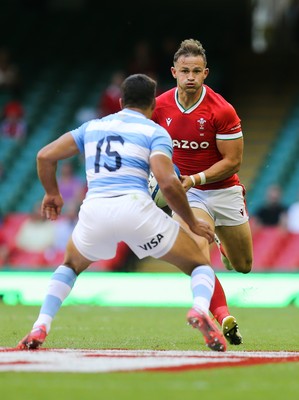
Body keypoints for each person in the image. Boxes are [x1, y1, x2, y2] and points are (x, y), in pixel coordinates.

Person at [16, 73, 227, 352]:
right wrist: (192, 222)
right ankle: (200, 309)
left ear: (120, 101)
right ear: (153, 104)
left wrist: (52, 193)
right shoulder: (154, 132)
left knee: (69, 266)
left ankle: (40, 325)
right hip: (135, 208)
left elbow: (44, 156)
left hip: (95, 210)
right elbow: (167, 182)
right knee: (199, 264)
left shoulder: (92, 127)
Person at [152, 38, 253, 343]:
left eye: (197, 71)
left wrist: (194, 178)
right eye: (185, 71)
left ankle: (224, 244)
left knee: (243, 266)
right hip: (189, 195)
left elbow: (233, 162)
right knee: (196, 255)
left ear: (206, 73)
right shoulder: (159, 107)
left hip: (223, 191)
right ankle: (219, 315)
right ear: (173, 72)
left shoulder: (221, 110)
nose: (191, 77)